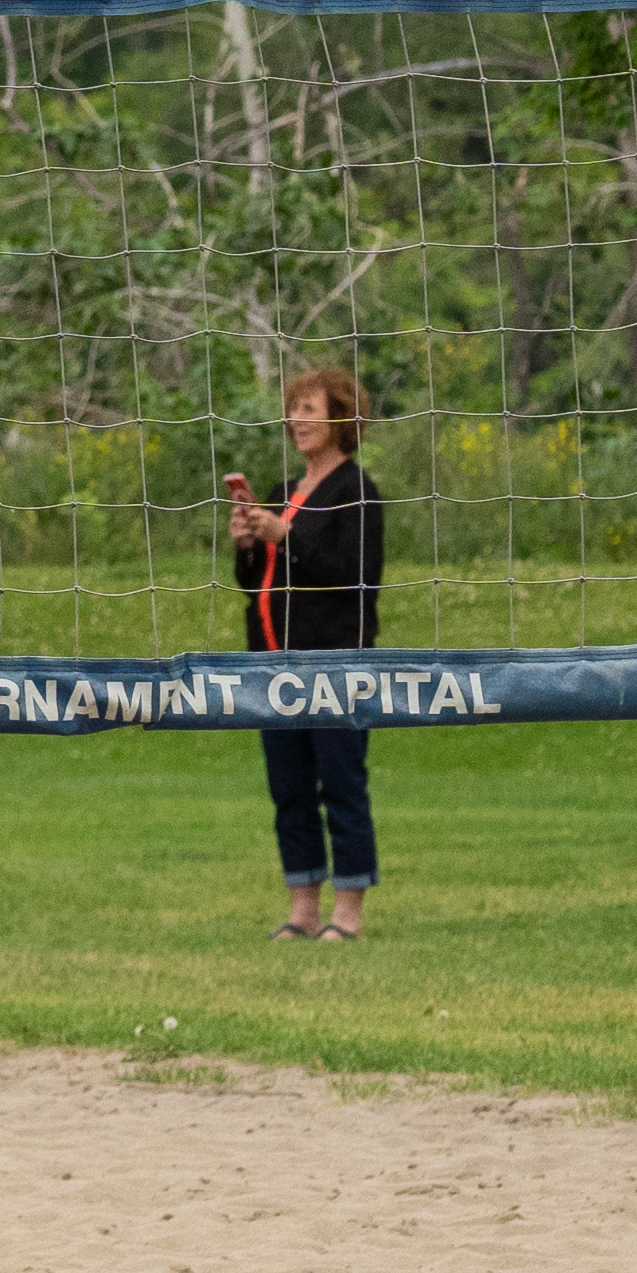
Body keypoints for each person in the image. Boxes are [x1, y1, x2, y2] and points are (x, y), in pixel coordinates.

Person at [226, 365, 388, 940]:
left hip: (335, 666)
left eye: (309, 410)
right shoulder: (281, 493)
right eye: (292, 409)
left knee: (340, 783)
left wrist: (284, 539)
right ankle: (302, 912)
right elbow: (258, 586)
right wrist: (248, 545)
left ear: (341, 419)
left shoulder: (357, 492)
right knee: (288, 787)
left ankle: (347, 916)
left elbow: (355, 577)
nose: (296, 420)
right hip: (271, 667)